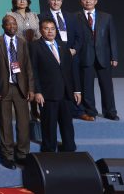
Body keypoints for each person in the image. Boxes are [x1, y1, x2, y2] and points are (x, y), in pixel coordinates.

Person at [31, 19, 82, 152]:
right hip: (47, 94)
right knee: (49, 126)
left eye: (52, 28)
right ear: (41, 30)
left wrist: (77, 90)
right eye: (46, 28)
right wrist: (37, 91)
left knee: (67, 125)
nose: (50, 31)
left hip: (66, 93)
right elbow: (33, 71)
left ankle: (69, 150)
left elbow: (71, 70)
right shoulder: (35, 46)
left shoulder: (63, 45)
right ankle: (49, 152)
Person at [39, 0, 89, 120]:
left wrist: (74, 49)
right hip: (54, 53)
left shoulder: (71, 16)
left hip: (71, 53)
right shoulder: (42, 16)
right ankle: (63, 111)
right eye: (53, 0)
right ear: (49, 1)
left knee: (75, 80)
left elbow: (79, 36)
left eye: (58, 0)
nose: (56, 2)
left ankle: (79, 110)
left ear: (62, 1)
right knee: (60, 82)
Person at [0, 15, 34, 169]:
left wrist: (31, 89)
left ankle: (22, 154)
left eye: (14, 24)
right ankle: (7, 155)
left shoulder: (22, 42)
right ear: (3, 26)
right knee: (5, 123)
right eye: (8, 24)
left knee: (23, 124)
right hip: (3, 88)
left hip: (20, 87)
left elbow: (28, 67)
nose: (12, 26)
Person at [77, 0, 119, 121]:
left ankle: (110, 112)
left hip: (104, 56)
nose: (87, 1)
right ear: (80, 2)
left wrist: (114, 56)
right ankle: (90, 111)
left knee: (107, 86)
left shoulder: (106, 17)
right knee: (87, 87)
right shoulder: (75, 17)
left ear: (95, 1)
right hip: (85, 56)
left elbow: (112, 38)